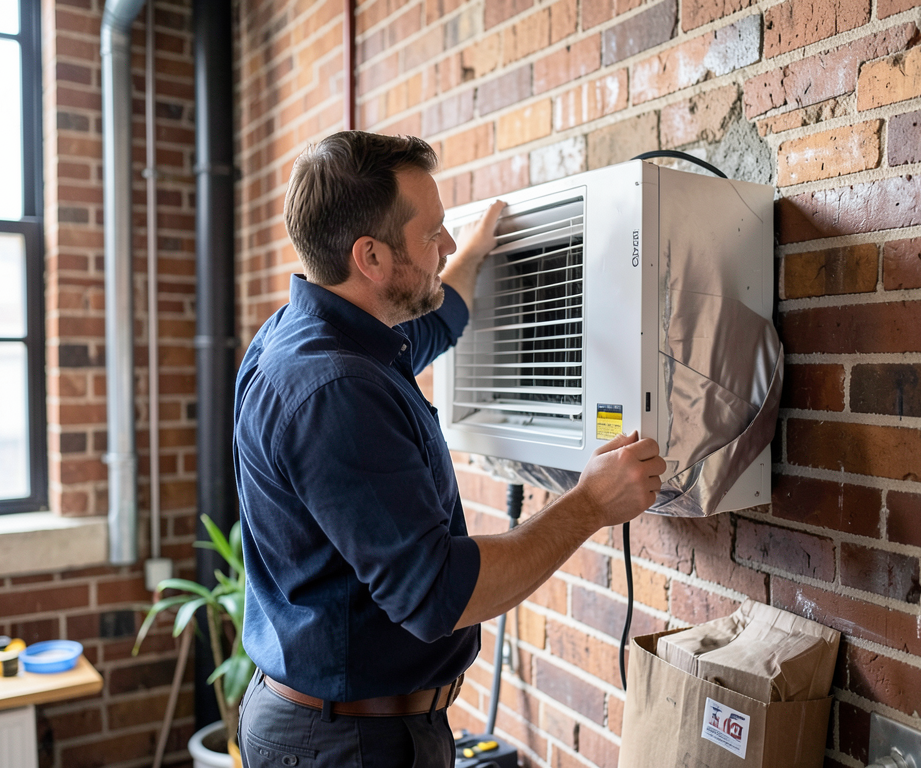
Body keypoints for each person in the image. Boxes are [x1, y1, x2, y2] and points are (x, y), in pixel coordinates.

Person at [234, 131, 666, 768]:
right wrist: (590, 505)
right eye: (433, 233)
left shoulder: (306, 334)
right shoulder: (336, 391)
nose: (447, 245)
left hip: (337, 726)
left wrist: (466, 262)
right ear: (371, 257)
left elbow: (427, 326)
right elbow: (438, 596)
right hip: (352, 747)